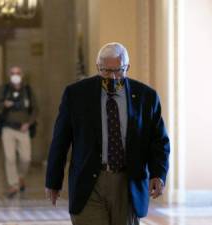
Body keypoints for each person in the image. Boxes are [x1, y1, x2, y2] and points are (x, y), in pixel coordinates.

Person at [45, 42, 170, 225]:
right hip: (89, 181)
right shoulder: (77, 95)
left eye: (118, 71)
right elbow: (61, 140)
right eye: (106, 70)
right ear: (97, 68)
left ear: (127, 67)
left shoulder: (146, 97)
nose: (112, 76)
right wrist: (53, 181)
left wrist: (158, 173)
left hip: (128, 182)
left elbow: (159, 140)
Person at [0, 66, 38, 198]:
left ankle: (20, 177)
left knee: (26, 158)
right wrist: (3, 104)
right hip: (7, 128)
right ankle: (13, 185)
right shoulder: (4, 89)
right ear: (9, 75)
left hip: (23, 128)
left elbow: (35, 109)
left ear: (22, 74)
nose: (15, 75)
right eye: (12, 73)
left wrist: (28, 123)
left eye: (17, 73)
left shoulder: (28, 90)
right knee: (10, 157)